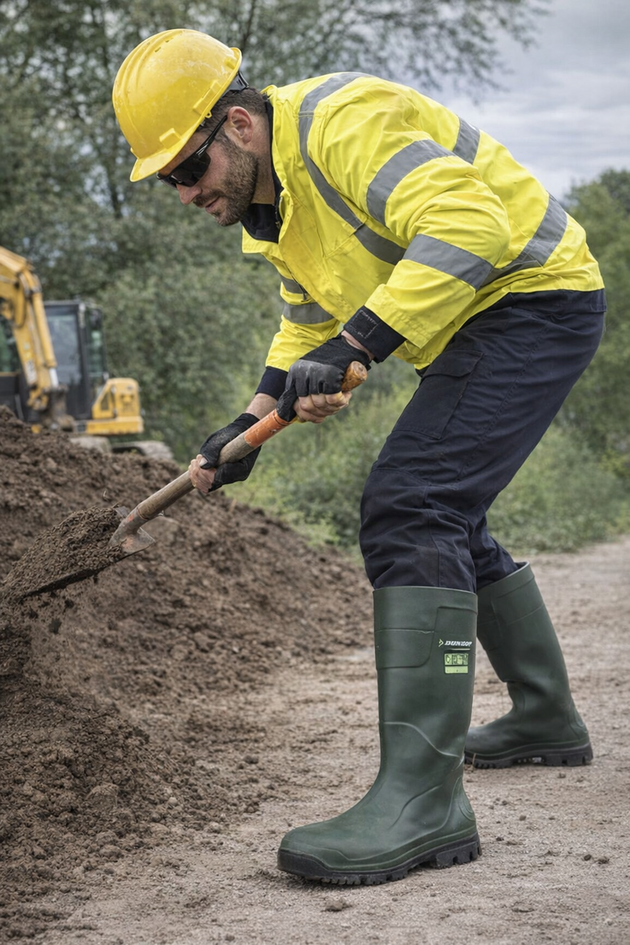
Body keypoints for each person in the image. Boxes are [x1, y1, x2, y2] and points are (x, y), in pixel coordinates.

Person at [112, 29, 605, 886]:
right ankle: (544, 714)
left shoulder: (343, 122)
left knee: (413, 503)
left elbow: (469, 224)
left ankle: (424, 800)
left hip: (533, 297)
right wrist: (248, 422)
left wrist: (360, 344)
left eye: (186, 171)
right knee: (446, 510)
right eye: (165, 182)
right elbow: (307, 317)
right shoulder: (276, 210)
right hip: (473, 320)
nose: (182, 193)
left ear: (238, 125)